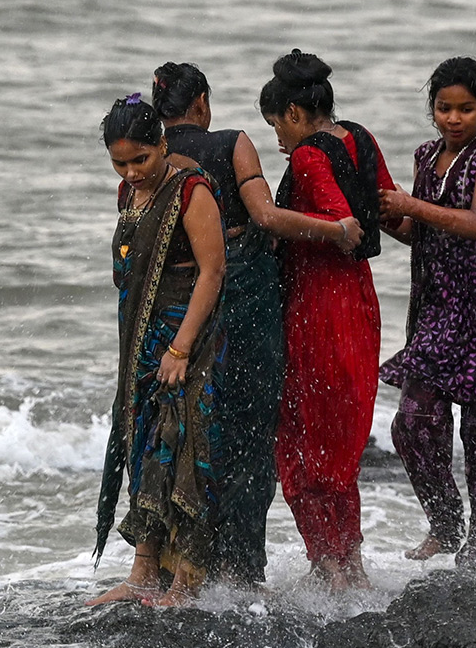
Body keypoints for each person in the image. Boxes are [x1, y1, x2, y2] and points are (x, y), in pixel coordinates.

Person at [149, 61, 362, 588]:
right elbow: (265, 217)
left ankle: (180, 566)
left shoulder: (147, 160)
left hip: (177, 314)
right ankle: (240, 572)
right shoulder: (230, 143)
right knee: (248, 431)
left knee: (190, 430)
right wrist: (335, 229)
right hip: (242, 302)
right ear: (201, 103)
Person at [378, 57, 476, 571]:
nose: (453, 118)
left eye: (466, 108)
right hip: (440, 308)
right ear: (432, 110)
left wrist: (411, 205)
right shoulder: (426, 157)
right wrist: (383, 218)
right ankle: (446, 525)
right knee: (413, 423)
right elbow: (420, 232)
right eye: (444, 108)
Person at [258, 49, 398, 592]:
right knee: (340, 443)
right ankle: (352, 566)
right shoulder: (360, 137)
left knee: (299, 439)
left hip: (318, 305)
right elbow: (387, 206)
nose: (277, 139)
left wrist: (273, 226)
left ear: (294, 113)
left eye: (276, 126)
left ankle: (327, 568)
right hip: (360, 303)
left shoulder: (307, 158)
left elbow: (343, 223)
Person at [87, 94, 226, 607]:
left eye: (141, 159)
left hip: (184, 338)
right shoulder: (131, 194)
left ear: (163, 144)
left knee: (184, 446)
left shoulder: (191, 192)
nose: (131, 171)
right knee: (145, 445)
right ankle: (144, 571)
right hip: (140, 345)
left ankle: (187, 581)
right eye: (120, 162)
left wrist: (181, 348)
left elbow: (212, 272)